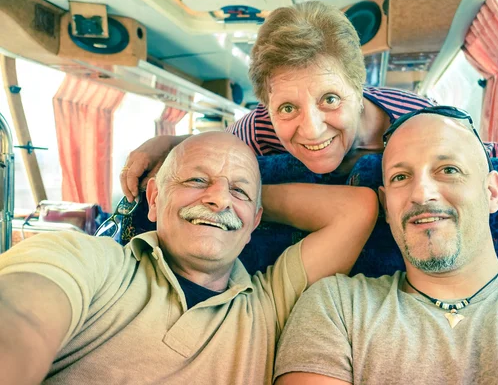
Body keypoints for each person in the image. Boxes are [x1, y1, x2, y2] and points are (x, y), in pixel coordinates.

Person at [120, 1, 498, 247]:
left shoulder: (419, 120)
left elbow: (489, 165)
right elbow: (216, 146)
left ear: (360, 88)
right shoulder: (258, 130)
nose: (309, 130)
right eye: (287, 107)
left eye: (330, 99)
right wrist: (167, 140)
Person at [0, 132, 378, 384]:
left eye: (238, 191)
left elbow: (357, 209)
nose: (219, 198)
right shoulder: (91, 262)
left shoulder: (273, 302)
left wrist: (241, 205)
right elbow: (21, 318)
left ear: (256, 223)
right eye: (195, 180)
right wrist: (231, 194)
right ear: (152, 200)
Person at [273, 106, 498, 384]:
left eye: (448, 170)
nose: (422, 193)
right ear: (386, 206)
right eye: (401, 177)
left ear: (492, 193)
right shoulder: (336, 307)